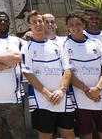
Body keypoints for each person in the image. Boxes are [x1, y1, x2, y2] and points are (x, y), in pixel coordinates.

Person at [22, 10, 75, 139]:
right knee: (46, 135)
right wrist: (47, 93)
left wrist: (61, 91)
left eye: (40, 21)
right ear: (30, 26)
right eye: (34, 22)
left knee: (68, 134)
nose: (38, 24)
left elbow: (67, 69)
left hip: (62, 96)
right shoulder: (26, 47)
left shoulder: (58, 45)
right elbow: (28, 74)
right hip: (41, 99)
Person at [64, 13, 102, 139]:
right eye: (71, 25)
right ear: (67, 27)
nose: (75, 27)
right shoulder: (64, 45)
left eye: (78, 24)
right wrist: (87, 90)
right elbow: (67, 72)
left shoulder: (97, 44)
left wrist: (97, 89)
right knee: (85, 134)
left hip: (101, 94)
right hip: (79, 96)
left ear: (83, 25)